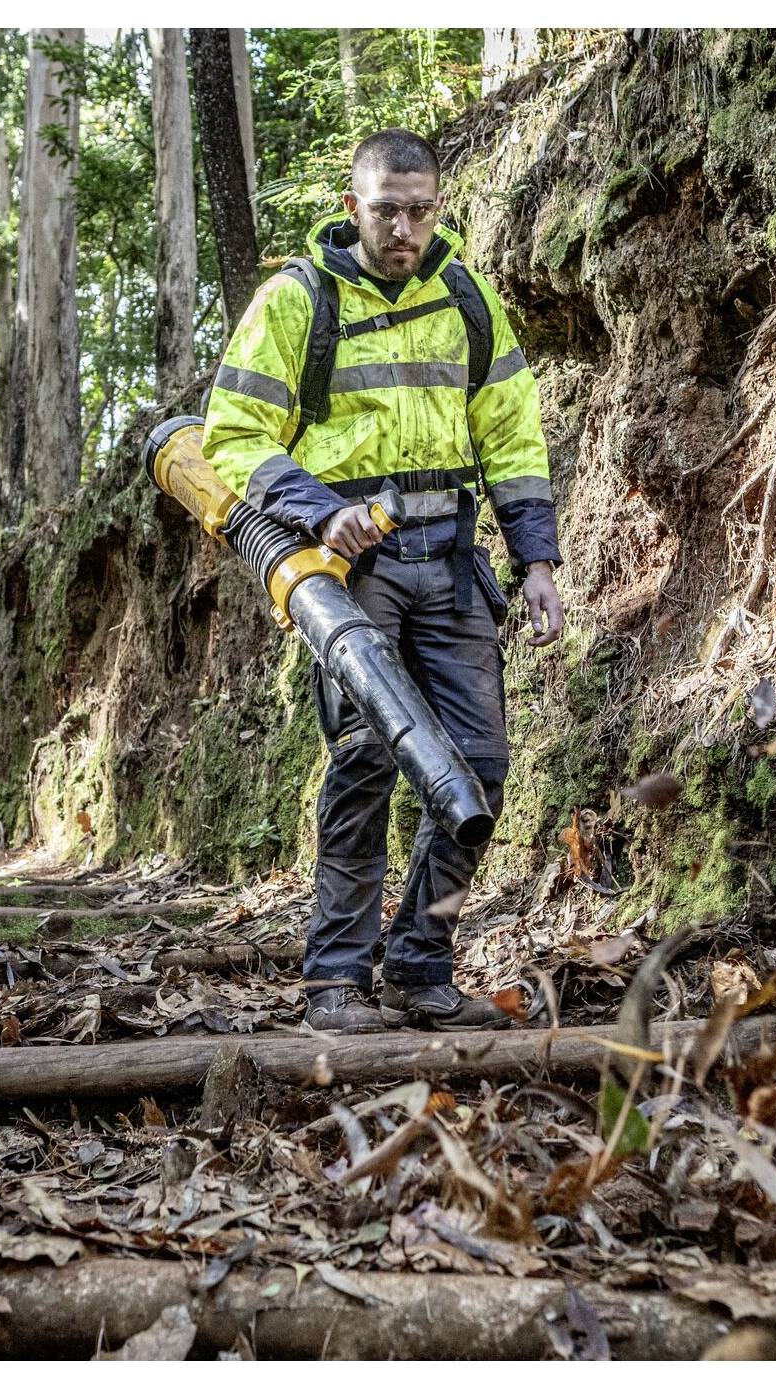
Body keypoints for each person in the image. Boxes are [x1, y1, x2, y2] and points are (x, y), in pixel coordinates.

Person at [202, 128, 565, 1034]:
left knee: (476, 767)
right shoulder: (296, 301)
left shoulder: (467, 298)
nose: (402, 229)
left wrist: (539, 560)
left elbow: (513, 439)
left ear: (438, 207)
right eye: (384, 210)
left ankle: (418, 964)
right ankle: (333, 981)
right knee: (366, 761)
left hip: (452, 565)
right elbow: (234, 436)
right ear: (350, 203)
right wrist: (320, 509)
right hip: (352, 572)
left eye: (419, 210)